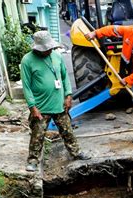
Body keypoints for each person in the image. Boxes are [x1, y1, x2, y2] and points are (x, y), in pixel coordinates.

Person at [21, 31, 91, 172]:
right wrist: (32, 107)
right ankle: (33, 160)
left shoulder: (57, 56)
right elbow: (26, 86)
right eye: (46, 49)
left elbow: (65, 78)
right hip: (41, 107)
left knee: (67, 131)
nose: (49, 51)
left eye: (50, 48)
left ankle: (76, 152)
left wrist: (68, 96)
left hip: (59, 104)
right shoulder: (27, 60)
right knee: (38, 135)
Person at [86, 18, 133, 150]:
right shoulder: (128, 31)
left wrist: (128, 80)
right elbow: (111, 29)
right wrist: (95, 33)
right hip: (132, 74)